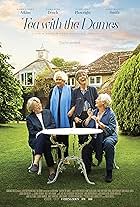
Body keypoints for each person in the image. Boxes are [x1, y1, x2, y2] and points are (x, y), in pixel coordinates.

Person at [83, 93, 118, 182]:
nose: (95, 100)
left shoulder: (111, 114)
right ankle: (87, 168)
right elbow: (86, 126)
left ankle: (109, 171)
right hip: (95, 137)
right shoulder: (94, 112)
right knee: (85, 146)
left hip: (108, 136)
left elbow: (111, 130)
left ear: (103, 102)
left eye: (98, 99)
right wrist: (89, 117)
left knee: (109, 144)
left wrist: (100, 123)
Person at [71, 69, 98, 173]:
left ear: (87, 78)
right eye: (80, 76)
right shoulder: (75, 92)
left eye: (84, 75)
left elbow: (97, 104)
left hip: (91, 116)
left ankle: (87, 163)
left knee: (90, 140)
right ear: (77, 80)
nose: (83, 77)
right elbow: (72, 106)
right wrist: (74, 117)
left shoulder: (93, 90)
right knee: (82, 141)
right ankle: (85, 164)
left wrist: (92, 115)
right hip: (79, 118)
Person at [26, 97, 56, 181]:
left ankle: (35, 163)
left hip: (49, 137)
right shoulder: (29, 118)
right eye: (36, 105)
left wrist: (44, 131)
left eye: (39, 103)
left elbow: (53, 125)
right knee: (44, 140)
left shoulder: (48, 112)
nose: (39, 106)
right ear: (32, 109)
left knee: (44, 138)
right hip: (35, 140)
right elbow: (32, 132)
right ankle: (51, 170)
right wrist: (42, 133)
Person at [46, 71, 72, 161]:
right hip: (55, 118)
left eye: (60, 79)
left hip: (66, 118)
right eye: (56, 79)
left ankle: (65, 157)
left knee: (65, 138)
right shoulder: (52, 91)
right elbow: (48, 105)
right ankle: (59, 157)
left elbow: (73, 103)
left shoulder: (69, 90)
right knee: (57, 138)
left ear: (64, 80)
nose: (58, 81)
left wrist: (72, 111)